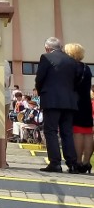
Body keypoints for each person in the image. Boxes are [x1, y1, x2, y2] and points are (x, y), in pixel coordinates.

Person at [34, 36, 80, 173]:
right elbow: (77, 80)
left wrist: (40, 90)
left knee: (51, 131)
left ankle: (55, 163)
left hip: (52, 100)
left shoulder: (46, 57)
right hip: (69, 101)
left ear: (47, 48)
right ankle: (72, 163)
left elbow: (40, 77)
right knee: (67, 132)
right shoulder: (72, 61)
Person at [64, 43, 93, 174]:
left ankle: (78, 161)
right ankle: (87, 162)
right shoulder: (87, 68)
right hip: (86, 102)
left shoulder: (71, 67)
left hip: (75, 103)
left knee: (77, 132)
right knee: (88, 132)